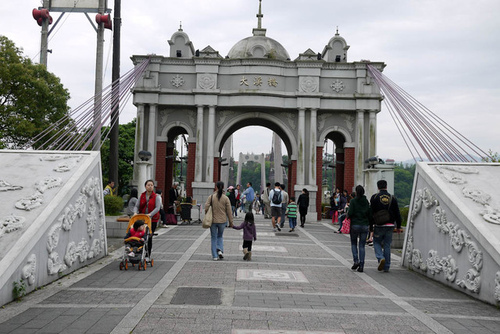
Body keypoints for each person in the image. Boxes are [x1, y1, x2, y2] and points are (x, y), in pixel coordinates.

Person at [370, 179, 402, 272]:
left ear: (378, 187)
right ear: (386, 186)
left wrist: (371, 226)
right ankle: (387, 266)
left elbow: (371, 212)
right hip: (390, 225)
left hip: (379, 225)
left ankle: (380, 257)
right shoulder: (393, 198)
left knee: (376, 242)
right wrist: (398, 226)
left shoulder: (375, 197)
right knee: (387, 245)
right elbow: (397, 213)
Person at [205, 181, 234, 261]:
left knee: (213, 237)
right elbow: (229, 212)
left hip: (213, 221)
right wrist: (231, 222)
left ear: (216, 187)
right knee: (220, 236)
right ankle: (220, 250)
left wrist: (207, 213)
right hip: (222, 221)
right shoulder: (225, 198)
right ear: (223, 187)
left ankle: (214, 256)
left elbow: (206, 207)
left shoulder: (211, 197)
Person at [133, 179, 161, 257]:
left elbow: (157, 208)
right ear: (145, 186)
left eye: (151, 185)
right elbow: (137, 206)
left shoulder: (156, 197)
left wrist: (150, 214)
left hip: (152, 219)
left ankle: (148, 253)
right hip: (142, 219)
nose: (150, 187)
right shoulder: (142, 196)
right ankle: (139, 251)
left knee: (149, 236)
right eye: (148, 185)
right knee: (140, 235)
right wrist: (135, 212)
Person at [347, 185, 371, 273]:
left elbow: (350, 212)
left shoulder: (353, 201)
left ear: (356, 192)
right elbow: (369, 213)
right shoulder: (366, 201)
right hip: (364, 225)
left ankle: (356, 261)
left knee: (354, 244)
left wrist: (348, 215)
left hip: (355, 225)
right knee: (362, 245)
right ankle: (361, 265)